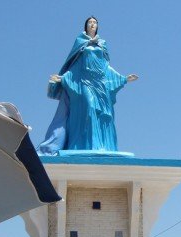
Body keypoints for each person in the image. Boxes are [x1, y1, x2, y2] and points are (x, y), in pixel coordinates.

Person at [37, 16, 138, 154]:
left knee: (105, 114)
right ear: (86, 26)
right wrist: (62, 78)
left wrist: (124, 78)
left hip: (100, 84)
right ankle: (85, 144)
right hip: (85, 82)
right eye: (90, 22)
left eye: (95, 22)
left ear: (97, 26)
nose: (92, 24)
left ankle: (101, 146)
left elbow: (106, 67)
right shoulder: (80, 43)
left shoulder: (102, 43)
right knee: (89, 107)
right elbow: (76, 66)